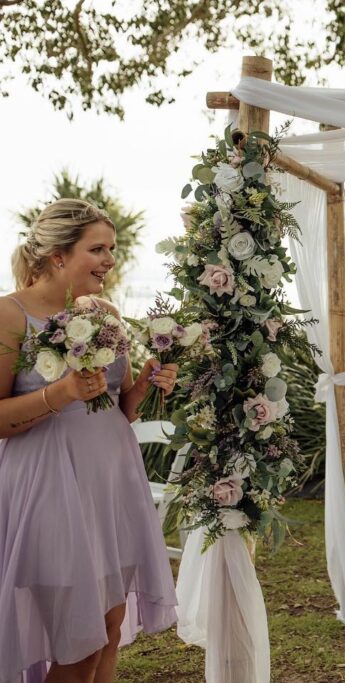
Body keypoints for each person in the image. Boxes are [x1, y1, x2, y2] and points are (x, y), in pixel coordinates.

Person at [0, 199, 178, 683]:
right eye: (97, 249)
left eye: (112, 249)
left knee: (110, 627)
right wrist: (59, 393)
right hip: (50, 485)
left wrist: (142, 384)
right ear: (58, 255)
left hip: (111, 484)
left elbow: (116, 409)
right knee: (78, 645)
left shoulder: (105, 312)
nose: (109, 260)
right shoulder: (10, 314)